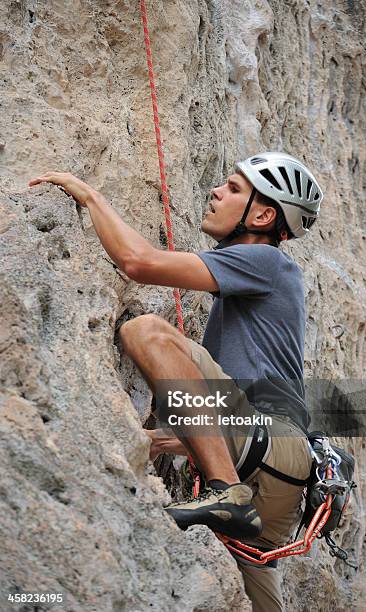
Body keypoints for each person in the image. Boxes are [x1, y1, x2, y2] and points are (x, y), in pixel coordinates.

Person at [29, 151, 323, 611]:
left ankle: (225, 492)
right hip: (277, 477)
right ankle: (228, 492)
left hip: (263, 452)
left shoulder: (266, 261)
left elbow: (138, 262)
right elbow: (222, 418)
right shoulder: (262, 280)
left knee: (144, 330)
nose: (215, 192)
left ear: (264, 215)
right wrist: (144, 441)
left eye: (233, 188)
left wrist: (89, 195)